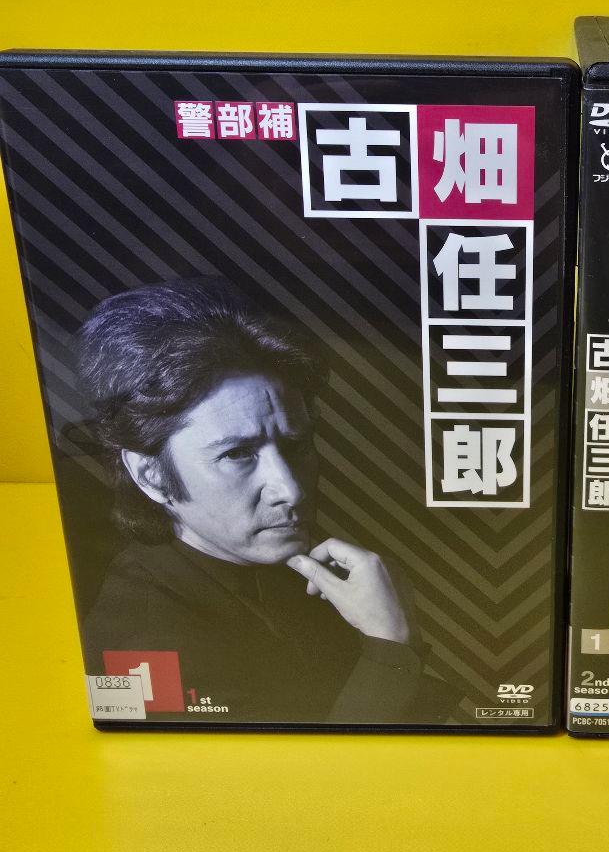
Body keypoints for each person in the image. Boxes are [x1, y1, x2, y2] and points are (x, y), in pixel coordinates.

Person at [78, 276, 454, 723]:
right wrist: (390, 646)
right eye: (237, 454)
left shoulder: (281, 568)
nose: (291, 489)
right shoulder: (140, 640)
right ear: (151, 475)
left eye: (295, 445)